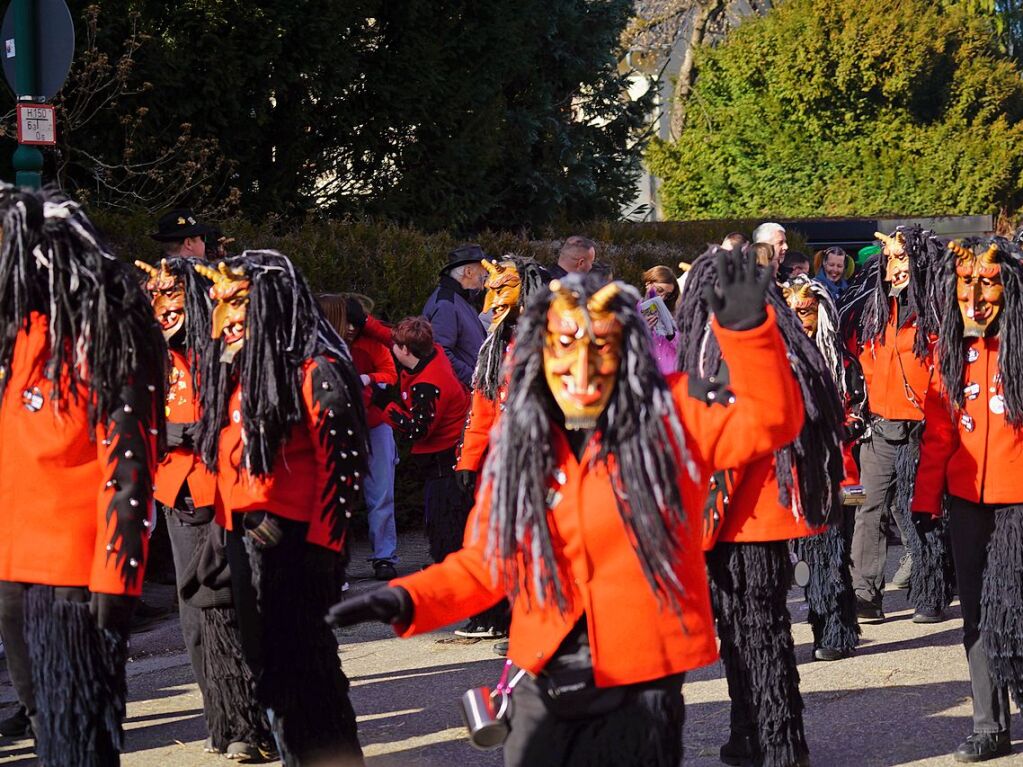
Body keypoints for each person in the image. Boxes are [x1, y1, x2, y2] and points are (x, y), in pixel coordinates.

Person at [328, 250, 805, 767]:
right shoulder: (522, 441)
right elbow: (489, 560)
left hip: (640, 679)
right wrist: (405, 600)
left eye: (602, 344)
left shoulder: (674, 414)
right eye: (566, 344)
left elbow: (771, 421)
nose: (583, 364)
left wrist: (749, 331)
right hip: (541, 673)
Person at [0, 187, 164, 766]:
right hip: (14, 573)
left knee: (79, 743)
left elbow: (127, 474)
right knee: (48, 731)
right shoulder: (16, 340)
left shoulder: (104, 343)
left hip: (73, 580)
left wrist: (115, 584)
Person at [194, 252, 369, 766]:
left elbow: (343, 472)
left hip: (295, 547)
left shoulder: (316, 368)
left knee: (305, 670)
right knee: (269, 668)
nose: (222, 319)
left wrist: (320, 556)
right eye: (216, 304)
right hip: (244, 539)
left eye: (236, 304)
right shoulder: (246, 367)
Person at [679, 251, 845, 767]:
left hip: (748, 516)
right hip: (739, 517)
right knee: (743, 635)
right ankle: (750, 733)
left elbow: (743, 436)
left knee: (760, 636)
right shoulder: (762, 340)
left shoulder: (745, 344)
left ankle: (778, 745)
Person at [135, 257, 272, 760]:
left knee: (249, 607)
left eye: (171, 293)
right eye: (154, 295)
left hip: (237, 492)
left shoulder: (225, 340)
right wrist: (164, 434)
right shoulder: (148, 351)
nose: (161, 305)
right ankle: (230, 721)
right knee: (197, 614)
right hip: (183, 494)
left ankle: (262, 716)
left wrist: (204, 431)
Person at [912, 237, 1023, 763]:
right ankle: (988, 724)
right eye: (965, 286)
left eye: (988, 285)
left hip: (1019, 502)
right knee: (976, 614)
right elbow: (938, 431)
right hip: (966, 501)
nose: (976, 298)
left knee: (1017, 609)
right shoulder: (952, 349)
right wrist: (924, 499)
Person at [839, 226, 951, 624]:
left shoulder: (936, 309)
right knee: (869, 508)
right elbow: (848, 357)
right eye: (889, 258)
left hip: (925, 426)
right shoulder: (869, 308)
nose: (894, 266)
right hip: (881, 424)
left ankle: (931, 590)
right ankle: (866, 595)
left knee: (921, 509)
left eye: (902, 257)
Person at [454, 256, 550, 640]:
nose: (493, 297)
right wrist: (469, 459)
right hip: (502, 462)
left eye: (503, 287)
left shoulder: (553, 338)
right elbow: (484, 405)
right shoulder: (496, 345)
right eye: (489, 288)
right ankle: (507, 617)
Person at [782, 275, 865, 662]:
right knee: (811, 554)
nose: (801, 320)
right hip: (797, 470)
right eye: (793, 312)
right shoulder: (781, 359)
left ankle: (837, 631)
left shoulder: (840, 360)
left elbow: (859, 407)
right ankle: (827, 628)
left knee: (832, 553)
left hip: (836, 468)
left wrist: (839, 427)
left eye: (807, 311)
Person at [319, 294, 400, 581]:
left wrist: (365, 380)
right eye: (347, 322)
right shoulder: (321, 348)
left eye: (356, 322)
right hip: (340, 427)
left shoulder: (372, 343)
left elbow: (391, 374)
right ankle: (335, 561)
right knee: (337, 497)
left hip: (375, 425)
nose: (351, 327)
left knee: (381, 494)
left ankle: (384, 556)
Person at [379, 317, 471, 565]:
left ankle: (450, 569)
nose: (391, 347)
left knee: (445, 522)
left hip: (445, 463)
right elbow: (387, 334)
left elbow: (418, 430)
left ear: (406, 351)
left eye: (396, 345)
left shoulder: (429, 384)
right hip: (448, 457)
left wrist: (384, 406)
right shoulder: (434, 353)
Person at [423, 244, 488, 388]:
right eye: (482, 276)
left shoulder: (459, 298)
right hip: (462, 392)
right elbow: (441, 352)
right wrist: (475, 379)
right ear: (469, 272)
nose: (483, 284)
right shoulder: (446, 303)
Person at [641, 265, 682, 375]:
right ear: (648, 284)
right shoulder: (632, 310)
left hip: (671, 374)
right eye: (659, 290)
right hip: (647, 375)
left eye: (667, 295)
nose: (662, 297)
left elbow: (686, 348)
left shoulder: (676, 313)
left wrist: (672, 335)